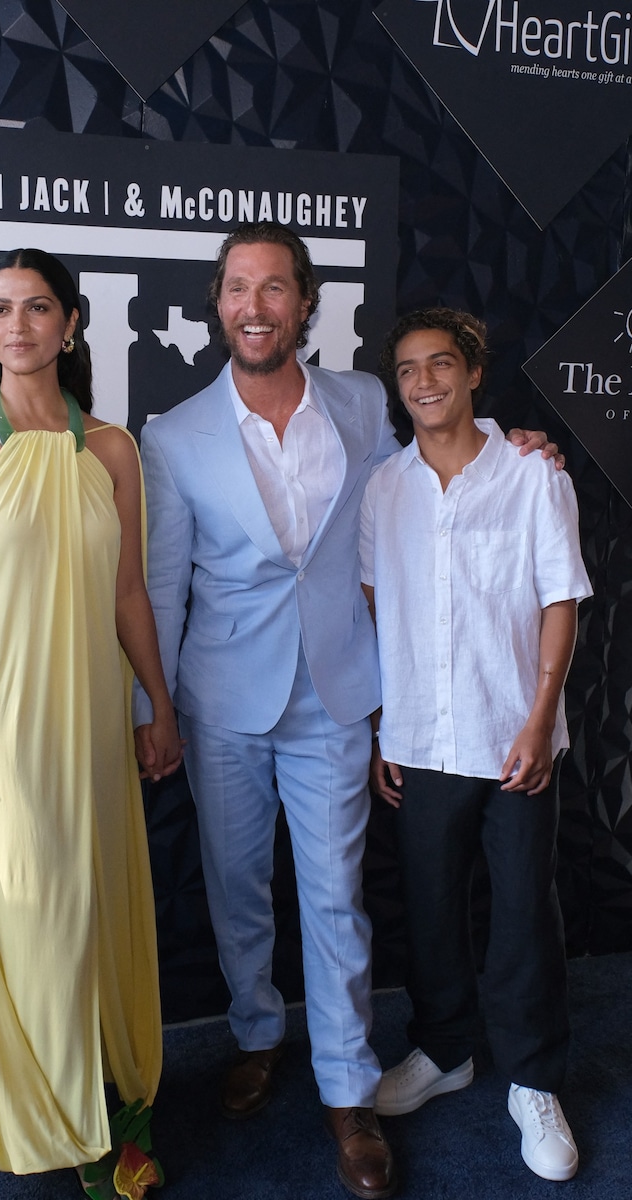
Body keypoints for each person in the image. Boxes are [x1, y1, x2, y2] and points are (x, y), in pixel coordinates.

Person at [132, 222, 559, 1200]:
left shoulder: (364, 403)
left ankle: (344, 1090)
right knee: (237, 890)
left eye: (272, 288)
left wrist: (511, 443)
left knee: (333, 897)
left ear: (303, 303)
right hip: (222, 700)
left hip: (336, 694)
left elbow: (433, 466)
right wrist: (151, 708)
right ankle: (252, 1032)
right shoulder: (172, 436)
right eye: (237, 287)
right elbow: (158, 590)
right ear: (216, 303)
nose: (253, 305)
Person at [0, 248, 182, 1188]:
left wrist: (159, 705)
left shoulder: (112, 448)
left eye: (36, 308)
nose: (15, 327)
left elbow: (130, 593)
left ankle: (102, 1097)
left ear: (71, 324)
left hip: (95, 719)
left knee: (93, 904)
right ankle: (75, 1131)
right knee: (38, 911)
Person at [362, 308, 591, 1183]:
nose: (425, 382)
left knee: (525, 911)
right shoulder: (385, 488)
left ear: (472, 374)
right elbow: (382, 603)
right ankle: (445, 1050)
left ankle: (534, 1080)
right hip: (421, 737)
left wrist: (539, 718)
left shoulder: (533, 475)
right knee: (428, 904)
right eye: (410, 369)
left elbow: (560, 599)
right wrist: (391, 717)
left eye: (442, 365)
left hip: (514, 737)